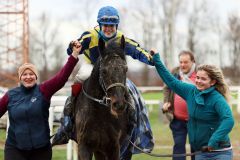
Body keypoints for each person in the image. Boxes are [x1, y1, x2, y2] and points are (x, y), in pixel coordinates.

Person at [52, 5, 154, 159]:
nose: (108, 28)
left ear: (116, 25)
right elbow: (75, 47)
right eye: (105, 25)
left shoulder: (121, 38)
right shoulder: (90, 36)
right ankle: (66, 124)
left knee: (131, 90)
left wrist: (151, 58)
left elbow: (137, 51)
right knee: (78, 81)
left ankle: (133, 125)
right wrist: (73, 47)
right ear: (100, 24)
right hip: (92, 69)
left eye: (111, 25)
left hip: (114, 72)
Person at [0, 43, 81, 160]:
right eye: (24, 74)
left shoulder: (44, 90)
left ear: (36, 76)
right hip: (15, 149)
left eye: (31, 74)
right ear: (20, 78)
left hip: (41, 149)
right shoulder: (10, 95)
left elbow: (61, 78)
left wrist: (74, 55)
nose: (28, 77)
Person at [152, 50, 234, 160]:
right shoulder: (190, 91)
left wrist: (213, 142)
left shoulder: (217, 99)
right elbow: (170, 81)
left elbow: (229, 120)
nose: (198, 81)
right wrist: (157, 60)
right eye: (197, 77)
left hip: (219, 151)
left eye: (203, 79)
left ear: (213, 82)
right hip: (201, 151)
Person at [162, 51, 196, 160]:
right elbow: (167, 87)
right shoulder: (175, 72)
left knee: (195, 148)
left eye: (186, 62)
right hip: (177, 119)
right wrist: (166, 101)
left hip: (195, 120)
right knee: (178, 147)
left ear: (193, 62)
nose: (182, 65)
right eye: (181, 62)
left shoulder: (200, 73)